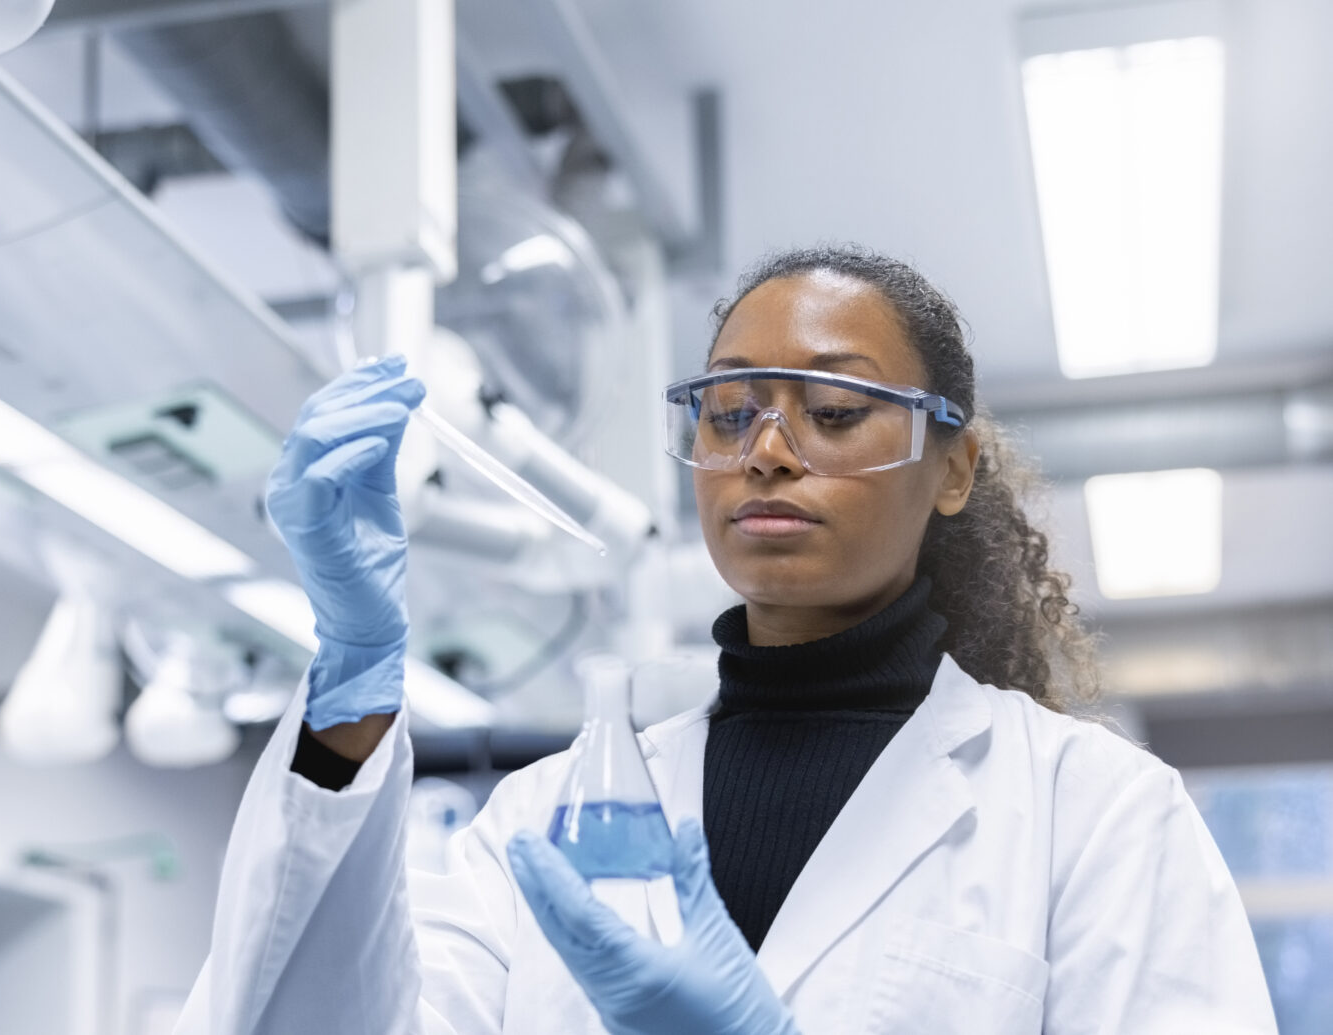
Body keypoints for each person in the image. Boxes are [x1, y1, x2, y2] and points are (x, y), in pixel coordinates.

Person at [176, 245, 1278, 1034]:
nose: (767, 452)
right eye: (728, 412)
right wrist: (354, 682)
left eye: (834, 412)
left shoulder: (1093, 817)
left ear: (954, 468)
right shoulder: (552, 818)